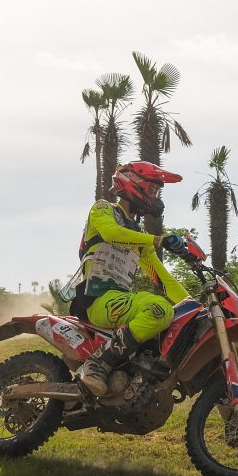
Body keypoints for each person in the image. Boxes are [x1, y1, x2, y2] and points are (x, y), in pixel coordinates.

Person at [73, 161, 191, 396]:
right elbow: (111, 233)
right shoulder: (103, 209)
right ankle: (98, 362)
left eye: (157, 192)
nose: (155, 197)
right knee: (159, 309)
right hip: (97, 299)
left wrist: (194, 306)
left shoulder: (139, 236)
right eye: (151, 190)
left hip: (119, 301)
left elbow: (162, 278)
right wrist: (158, 240)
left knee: (175, 323)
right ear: (132, 183)